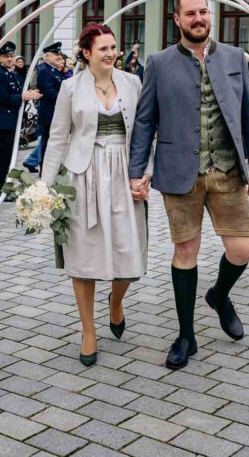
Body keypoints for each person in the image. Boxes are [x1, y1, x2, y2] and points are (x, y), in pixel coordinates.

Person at [129, 0, 249, 371]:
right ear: (177, 19)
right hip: (179, 172)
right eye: (189, 13)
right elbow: (144, 121)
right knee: (185, 253)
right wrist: (136, 171)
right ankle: (185, 334)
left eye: (203, 12)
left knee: (242, 250)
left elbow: (248, 115)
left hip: (227, 171)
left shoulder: (235, 58)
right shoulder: (158, 63)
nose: (198, 19)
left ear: (211, 15)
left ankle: (219, 296)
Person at [42, 24, 149, 367]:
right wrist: (44, 187)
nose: (111, 53)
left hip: (124, 173)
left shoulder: (132, 82)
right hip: (82, 174)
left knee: (129, 251)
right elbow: (58, 137)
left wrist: (145, 173)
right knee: (83, 256)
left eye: (113, 47)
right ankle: (88, 330)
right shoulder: (70, 87)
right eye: (103, 48)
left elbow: (148, 132)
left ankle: (115, 302)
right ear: (86, 52)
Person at [0, 41, 41, 201]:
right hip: (2, 122)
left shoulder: (12, 73)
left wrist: (29, 94)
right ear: (0, 58)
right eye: (6, 56)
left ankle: (5, 188)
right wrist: (23, 97)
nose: (10, 59)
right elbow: (3, 98)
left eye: (12, 56)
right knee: (2, 158)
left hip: (11, 121)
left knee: (8, 158)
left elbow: (18, 94)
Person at [24, 42, 66, 173]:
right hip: (49, 113)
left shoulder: (54, 70)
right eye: (55, 54)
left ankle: (51, 169)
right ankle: (45, 171)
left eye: (59, 54)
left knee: (53, 144)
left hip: (55, 111)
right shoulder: (44, 70)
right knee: (47, 144)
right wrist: (66, 100)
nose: (58, 56)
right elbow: (49, 92)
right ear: (47, 57)